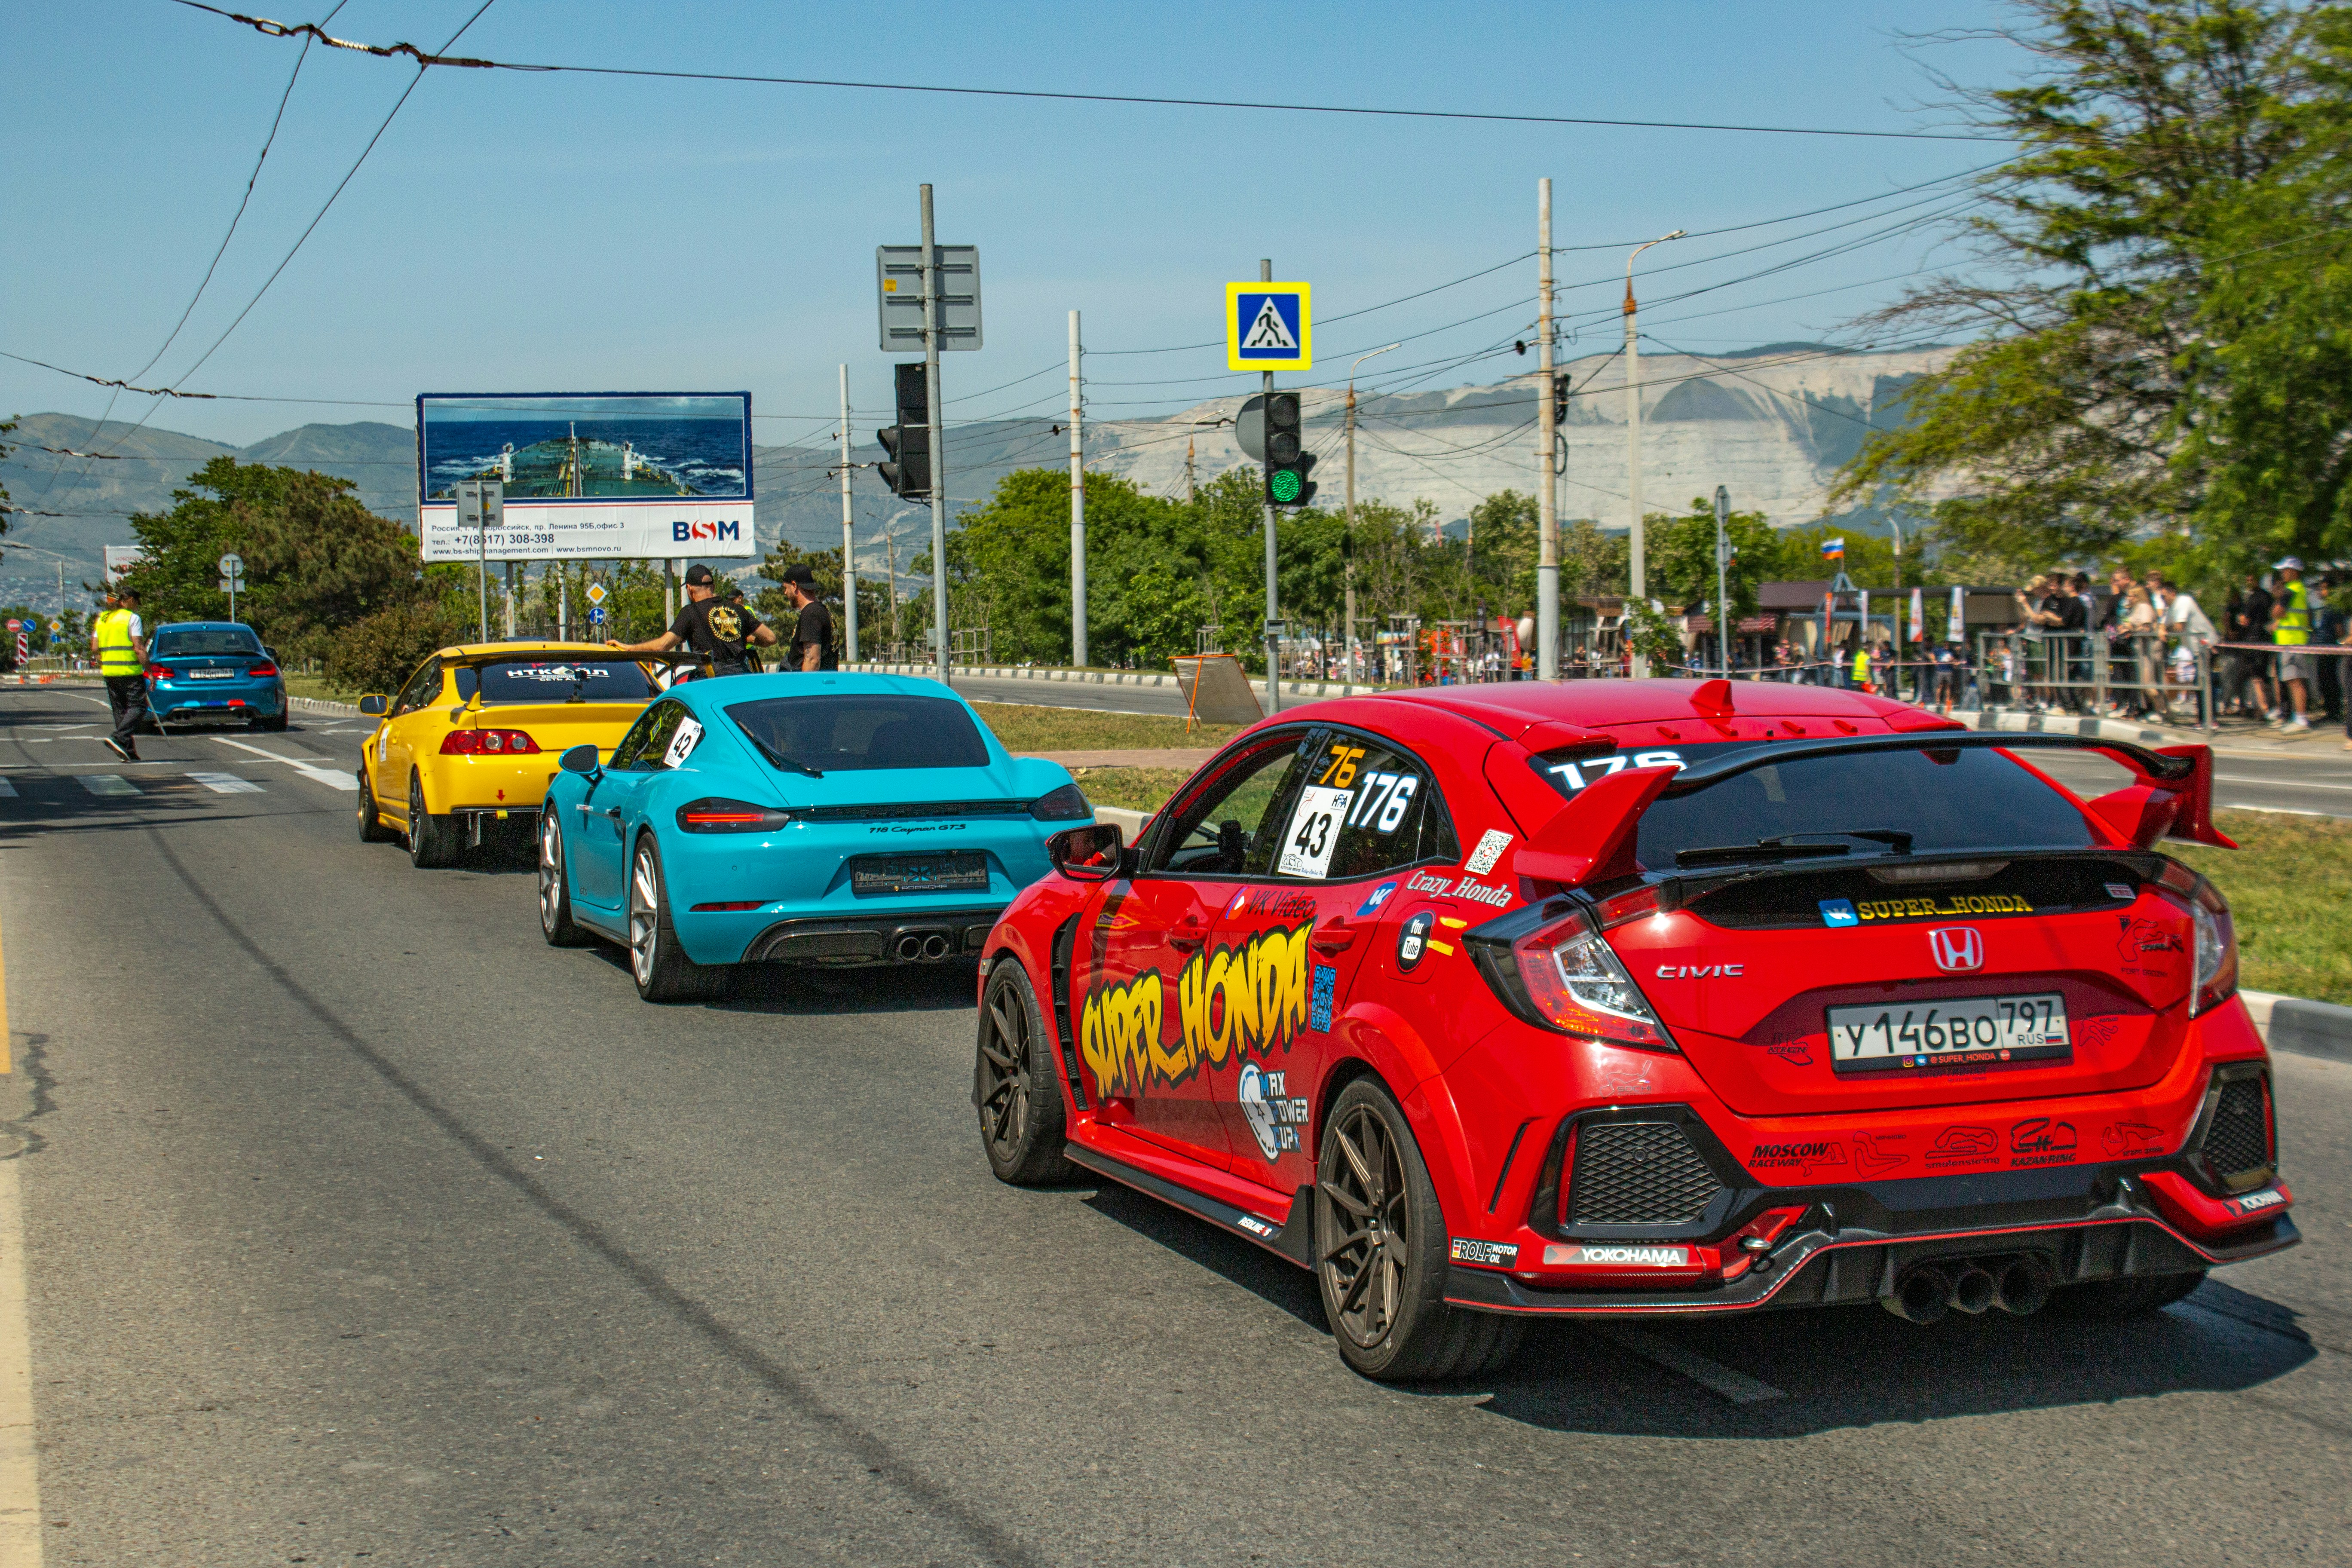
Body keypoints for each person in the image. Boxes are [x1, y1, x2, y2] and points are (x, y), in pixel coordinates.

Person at [606, 562, 777, 676]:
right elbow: (770, 638)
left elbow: (663, 645)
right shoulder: (737, 609)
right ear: (713, 587)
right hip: (740, 678)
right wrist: (741, 639)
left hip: (710, 681)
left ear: (689, 589)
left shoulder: (690, 612)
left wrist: (630, 649)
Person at [91, 588, 148, 761]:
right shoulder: (132, 618)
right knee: (139, 707)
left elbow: (95, 648)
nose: (137, 606)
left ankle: (127, 751)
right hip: (130, 671)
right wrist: (150, 672)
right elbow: (138, 648)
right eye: (137, 602)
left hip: (110, 672)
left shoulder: (103, 619)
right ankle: (118, 737)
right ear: (129, 600)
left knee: (120, 711)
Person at [2270, 556, 2313, 731]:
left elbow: (2277, 612)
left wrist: (2277, 606)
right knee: (2295, 681)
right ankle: (2299, 717)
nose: (2282, 574)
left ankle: (2301, 719)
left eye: (2285, 570)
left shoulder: (2291, 590)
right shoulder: (2300, 589)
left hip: (2292, 642)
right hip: (2294, 641)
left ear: (2294, 571)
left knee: (2295, 681)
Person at [775, 562, 838, 672]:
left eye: (786, 588)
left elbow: (812, 660)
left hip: (807, 685)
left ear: (794, 586)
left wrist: (806, 687)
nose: (785, 593)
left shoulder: (811, 614)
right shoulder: (821, 611)